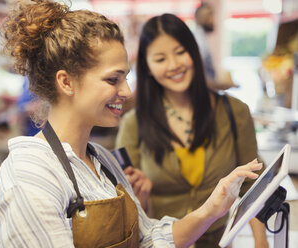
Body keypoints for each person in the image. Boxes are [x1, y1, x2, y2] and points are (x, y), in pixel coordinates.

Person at [0, 2, 262, 247]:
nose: (126, 92)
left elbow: (148, 239)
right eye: (113, 80)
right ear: (66, 82)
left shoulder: (102, 161)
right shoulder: (31, 175)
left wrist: (212, 209)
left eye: (126, 77)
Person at [115, 13, 268, 248]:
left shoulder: (234, 111)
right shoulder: (134, 123)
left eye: (180, 52)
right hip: (165, 242)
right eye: (160, 58)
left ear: (193, 53)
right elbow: (128, 207)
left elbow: (253, 184)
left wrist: (261, 241)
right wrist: (140, 195)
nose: (174, 65)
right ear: (147, 68)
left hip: (218, 242)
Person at [193, 3, 237, 91]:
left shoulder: (203, 37)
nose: (212, 19)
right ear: (199, 18)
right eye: (208, 16)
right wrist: (219, 85)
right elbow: (198, 74)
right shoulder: (198, 40)